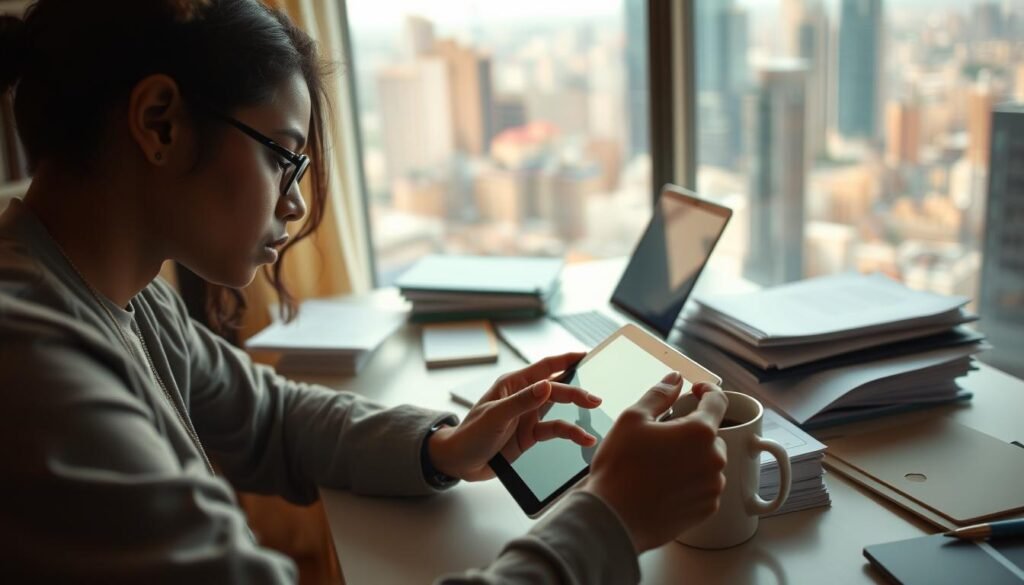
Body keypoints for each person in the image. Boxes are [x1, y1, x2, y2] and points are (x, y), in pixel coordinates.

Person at [0, 1, 729, 583]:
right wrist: (612, 518)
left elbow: (271, 418)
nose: (292, 206)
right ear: (159, 124)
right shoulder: (33, 366)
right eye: (283, 157)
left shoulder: (126, 295)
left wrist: (442, 446)